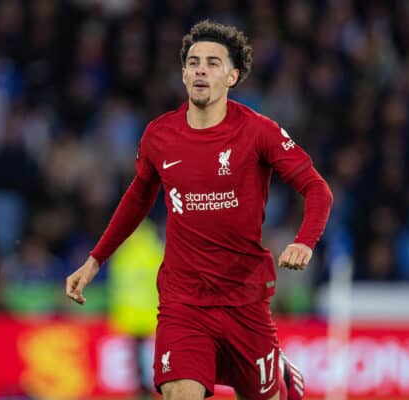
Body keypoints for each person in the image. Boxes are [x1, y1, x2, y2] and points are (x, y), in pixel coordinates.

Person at [66, 20, 332, 400]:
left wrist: (305, 242)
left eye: (212, 62)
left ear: (232, 76)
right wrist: (95, 260)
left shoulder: (259, 132)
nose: (201, 69)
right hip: (183, 300)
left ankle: (279, 371)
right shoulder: (160, 135)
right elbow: (137, 199)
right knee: (178, 392)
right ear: (183, 73)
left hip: (244, 299)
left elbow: (317, 189)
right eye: (193, 62)